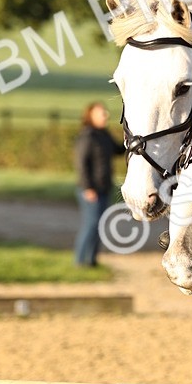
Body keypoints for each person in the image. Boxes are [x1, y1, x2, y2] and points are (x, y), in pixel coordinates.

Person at [73, 102, 124, 266]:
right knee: (91, 224)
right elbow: (81, 164)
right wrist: (88, 188)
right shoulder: (87, 136)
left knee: (99, 225)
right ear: (91, 116)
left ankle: (92, 261)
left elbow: (118, 150)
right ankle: (80, 261)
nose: (106, 116)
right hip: (90, 190)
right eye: (101, 113)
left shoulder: (104, 134)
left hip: (104, 187)